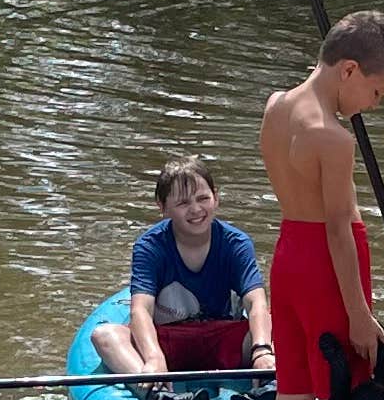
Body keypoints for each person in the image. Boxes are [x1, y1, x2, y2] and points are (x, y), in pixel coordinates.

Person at [260, 10, 384, 400]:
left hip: (288, 259)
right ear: (348, 70)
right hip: (328, 270)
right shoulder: (333, 138)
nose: (374, 104)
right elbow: (338, 231)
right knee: (344, 393)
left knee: (293, 394)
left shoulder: (277, 106)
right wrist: (359, 313)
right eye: (376, 92)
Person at [93, 158, 274, 388]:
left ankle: (269, 388)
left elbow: (255, 301)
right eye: (183, 203)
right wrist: (154, 358)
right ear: (162, 207)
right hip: (167, 342)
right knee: (104, 337)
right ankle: (157, 393)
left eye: (203, 198)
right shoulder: (150, 246)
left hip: (223, 339)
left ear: (216, 197)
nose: (196, 209)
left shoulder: (236, 243)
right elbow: (141, 309)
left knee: (286, 328)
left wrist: (261, 350)